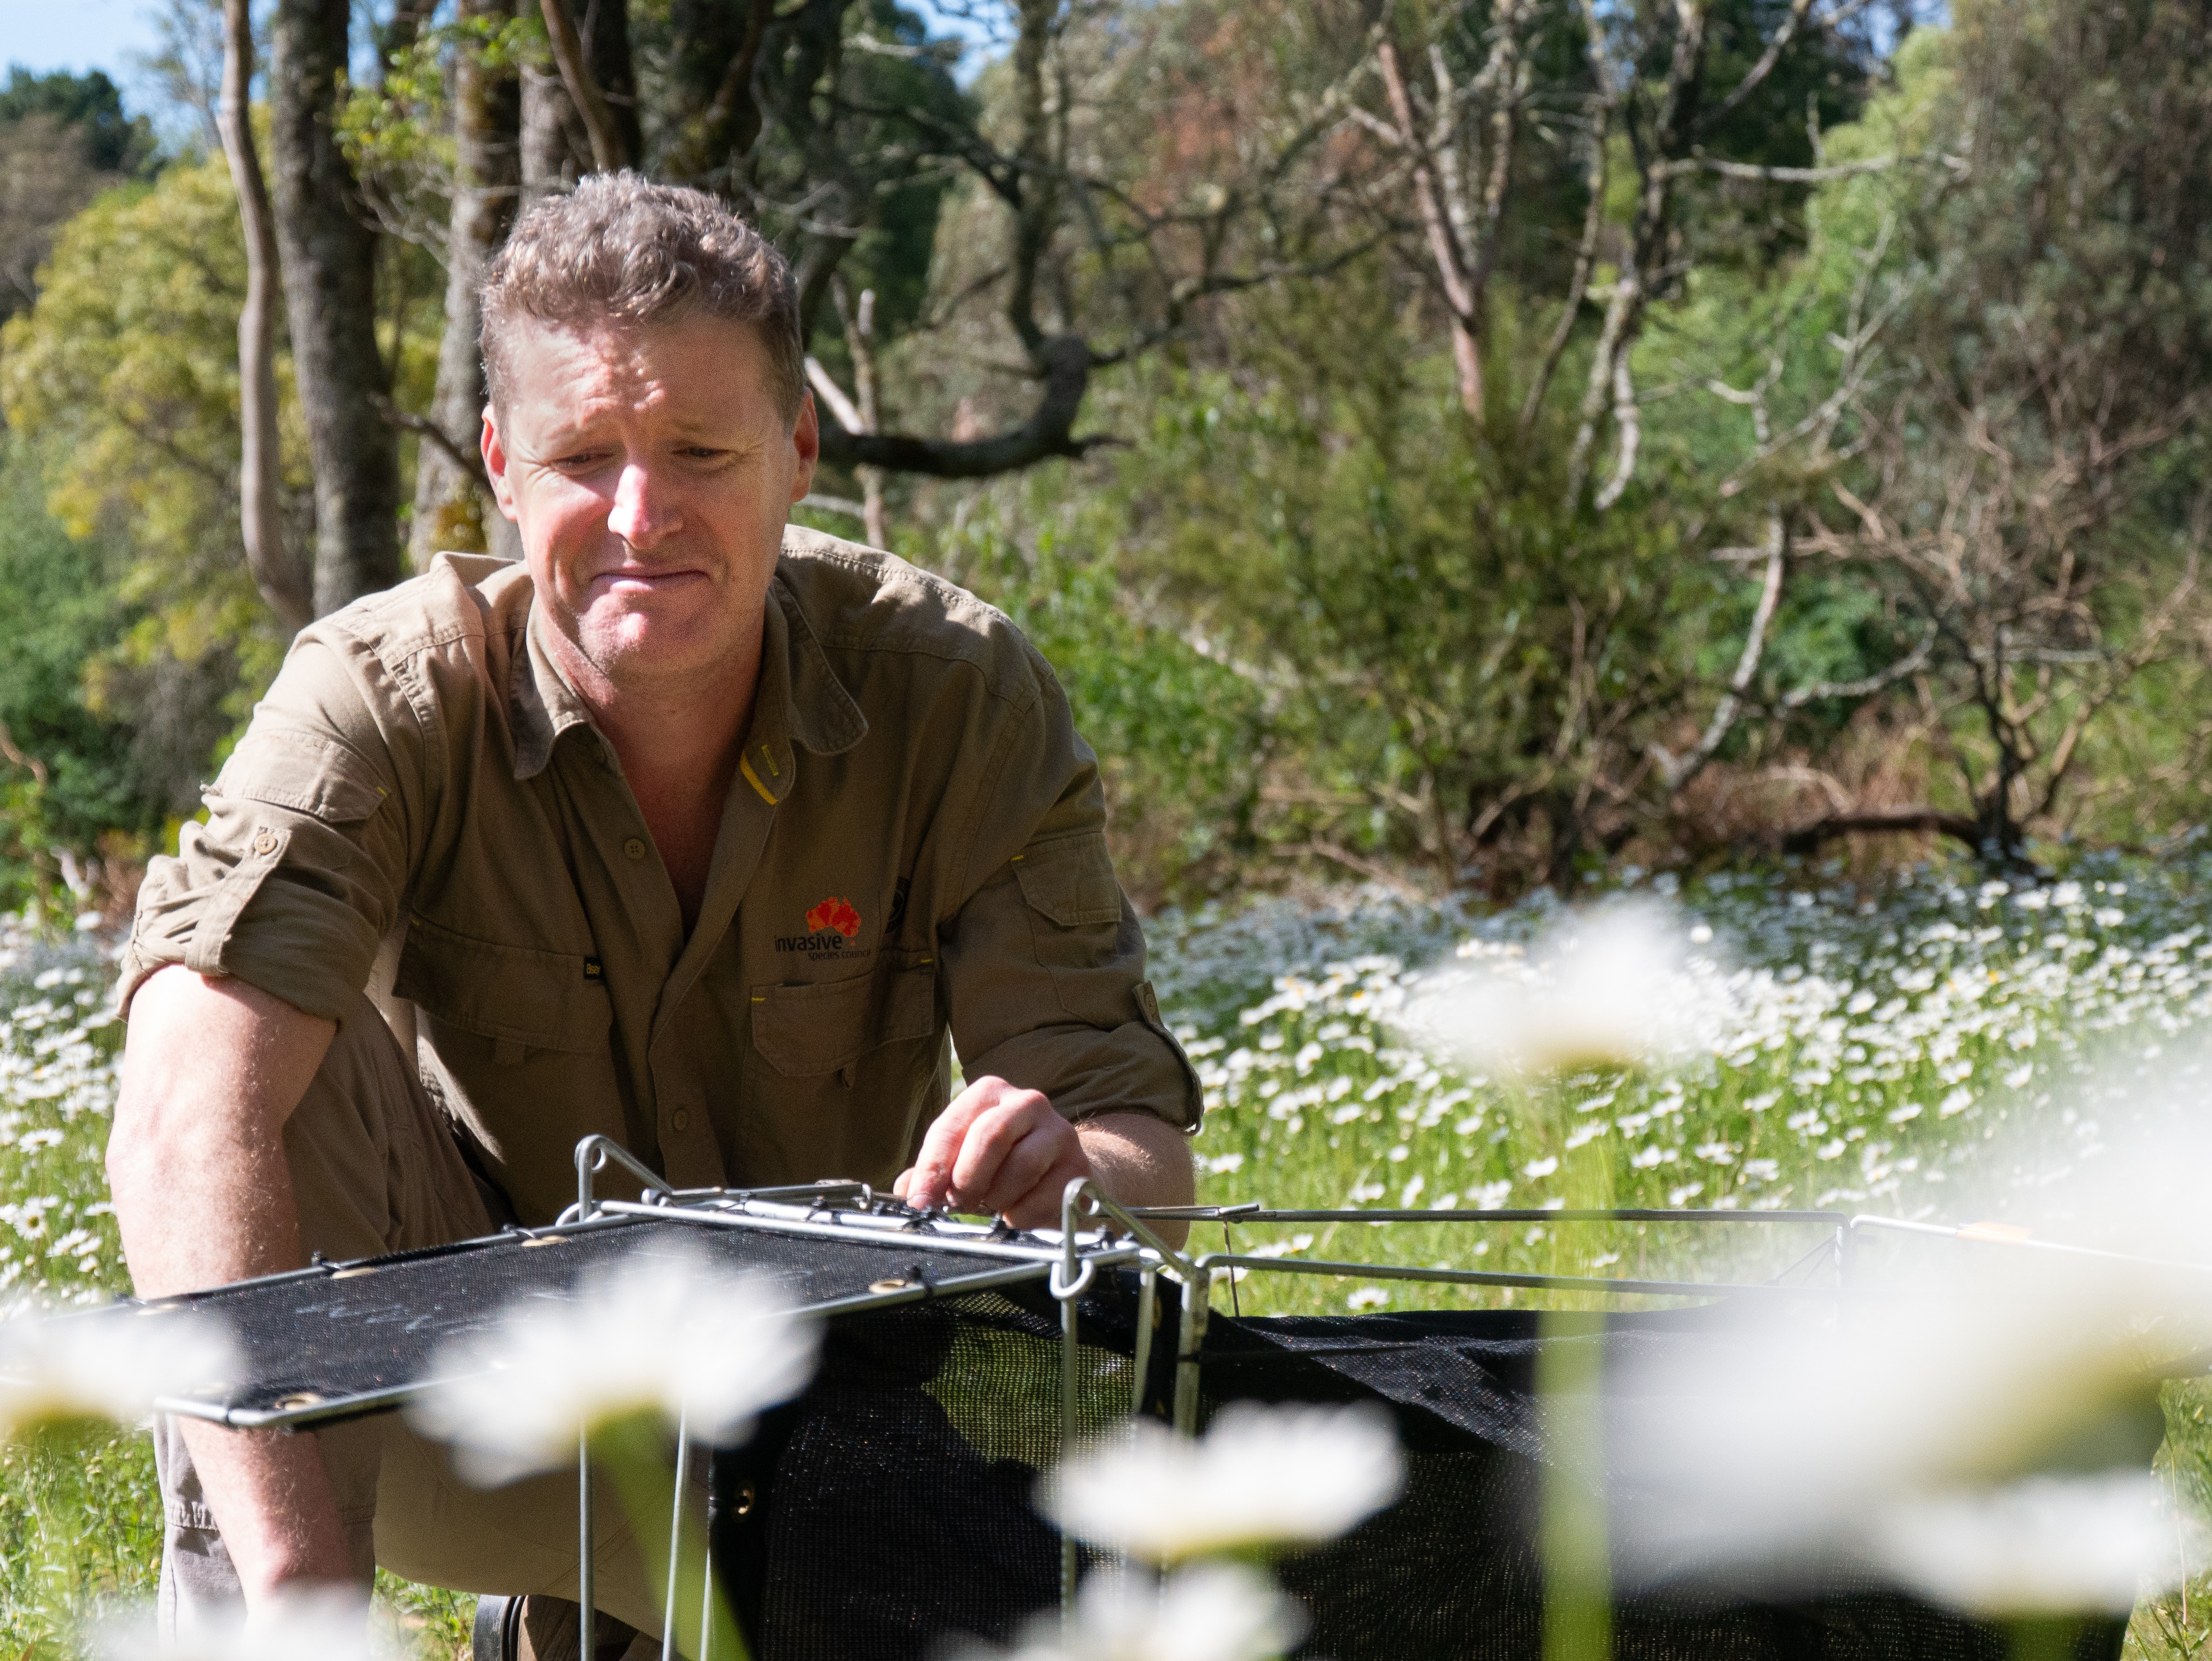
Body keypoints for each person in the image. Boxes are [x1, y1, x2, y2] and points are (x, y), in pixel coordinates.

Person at [105, 173, 1200, 1649]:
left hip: (817, 1419)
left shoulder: (957, 696)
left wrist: (1068, 1172)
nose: (641, 515)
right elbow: (178, 1128)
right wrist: (301, 1595)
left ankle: (583, 1626)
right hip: (451, 1397)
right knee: (233, 1060)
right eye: (582, 457)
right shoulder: (376, 697)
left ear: (797, 449)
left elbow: (1145, 1156)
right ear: (503, 465)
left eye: (700, 450)